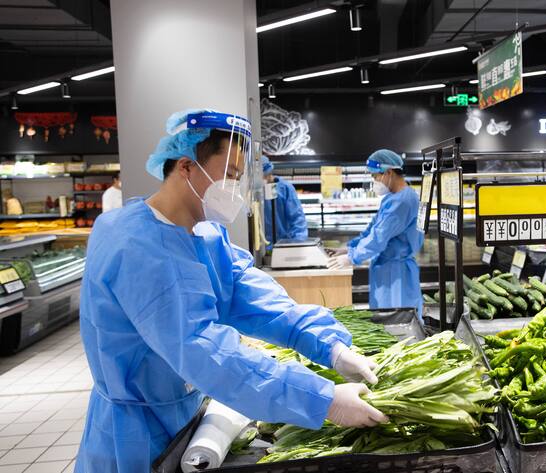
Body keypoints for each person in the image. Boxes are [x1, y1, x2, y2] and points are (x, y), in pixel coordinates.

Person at [75, 109, 387, 473]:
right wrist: (322, 399)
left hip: (184, 413)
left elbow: (256, 300)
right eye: (230, 176)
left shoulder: (205, 236)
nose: (234, 190)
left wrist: (330, 347)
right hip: (134, 433)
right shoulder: (134, 246)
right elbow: (201, 348)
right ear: (185, 166)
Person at [328, 150, 424, 318]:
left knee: (397, 322)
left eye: (375, 176)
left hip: (396, 273)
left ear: (388, 172)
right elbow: (372, 230)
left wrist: (353, 257)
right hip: (386, 268)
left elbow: (379, 238)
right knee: (386, 318)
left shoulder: (402, 202)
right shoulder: (392, 198)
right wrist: (349, 248)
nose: (374, 181)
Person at [262, 156, 308, 245]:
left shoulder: (285, 189)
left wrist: (296, 245)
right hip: (262, 247)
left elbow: (297, 220)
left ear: (268, 174)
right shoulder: (254, 193)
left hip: (284, 245)